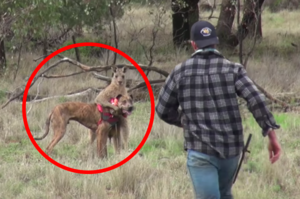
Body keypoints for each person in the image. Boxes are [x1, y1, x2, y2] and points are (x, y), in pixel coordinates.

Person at [155, 20, 281, 199]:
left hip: (200, 151)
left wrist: (185, 121)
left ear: (193, 44)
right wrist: (271, 134)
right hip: (231, 151)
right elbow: (256, 100)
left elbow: (162, 109)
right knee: (224, 193)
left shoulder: (179, 72)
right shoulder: (233, 69)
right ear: (215, 43)